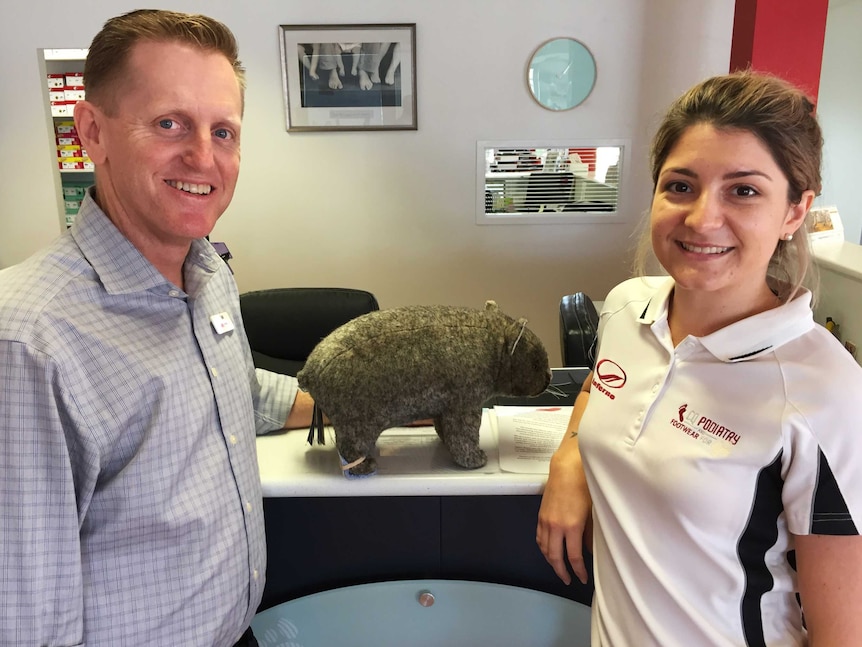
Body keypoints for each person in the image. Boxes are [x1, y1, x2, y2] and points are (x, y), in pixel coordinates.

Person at [0, 10, 317, 646]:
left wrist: (370, 406)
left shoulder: (208, 272)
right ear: (93, 130)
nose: (202, 156)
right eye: (169, 123)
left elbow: (231, 393)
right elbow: (27, 618)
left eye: (223, 131)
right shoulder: (29, 339)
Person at [536, 70, 862, 646]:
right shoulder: (628, 307)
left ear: (794, 212)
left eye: (743, 190)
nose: (702, 218)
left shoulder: (822, 388)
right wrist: (570, 459)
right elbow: (602, 382)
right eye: (681, 186)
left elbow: (844, 633)